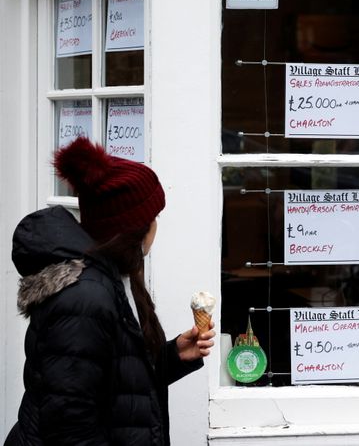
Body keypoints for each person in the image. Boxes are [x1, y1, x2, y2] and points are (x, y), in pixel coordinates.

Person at [4, 137, 215, 445]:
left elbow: (111, 383)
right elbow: (69, 425)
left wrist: (171, 357)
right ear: (132, 228)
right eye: (153, 217)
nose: (157, 225)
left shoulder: (111, 280)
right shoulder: (85, 298)